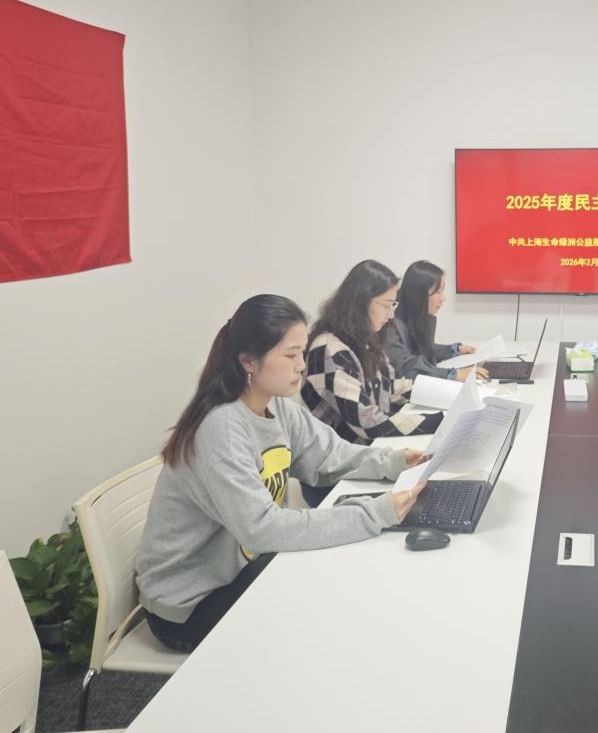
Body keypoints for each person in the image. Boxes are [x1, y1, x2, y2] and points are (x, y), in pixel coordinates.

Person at [136, 294, 426, 653]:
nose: (301, 366)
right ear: (248, 361)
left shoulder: (277, 407)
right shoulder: (221, 429)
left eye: (302, 353)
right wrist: (374, 513)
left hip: (240, 569)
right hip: (191, 606)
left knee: (335, 582)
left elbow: (329, 457)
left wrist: (395, 462)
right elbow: (262, 528)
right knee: (327, 610)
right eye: (290, 355)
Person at [302, 259, 442, 445]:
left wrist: (444, 394)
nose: (391, 315)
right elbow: (368, 423)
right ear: (360, 302)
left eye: (393, 305)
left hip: (368, 449)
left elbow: (389, 388)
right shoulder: (329, 350)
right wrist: (439, 422)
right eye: (386, 305)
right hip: (341, 456)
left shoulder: (366, 339)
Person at [388, 260, 486, 382]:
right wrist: (455, 375)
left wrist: (454, 350)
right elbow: (407, 366)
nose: (443, 298)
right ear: (419, 295)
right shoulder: (391, 327)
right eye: (438, 292)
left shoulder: (418, 317)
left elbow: (424, 348)